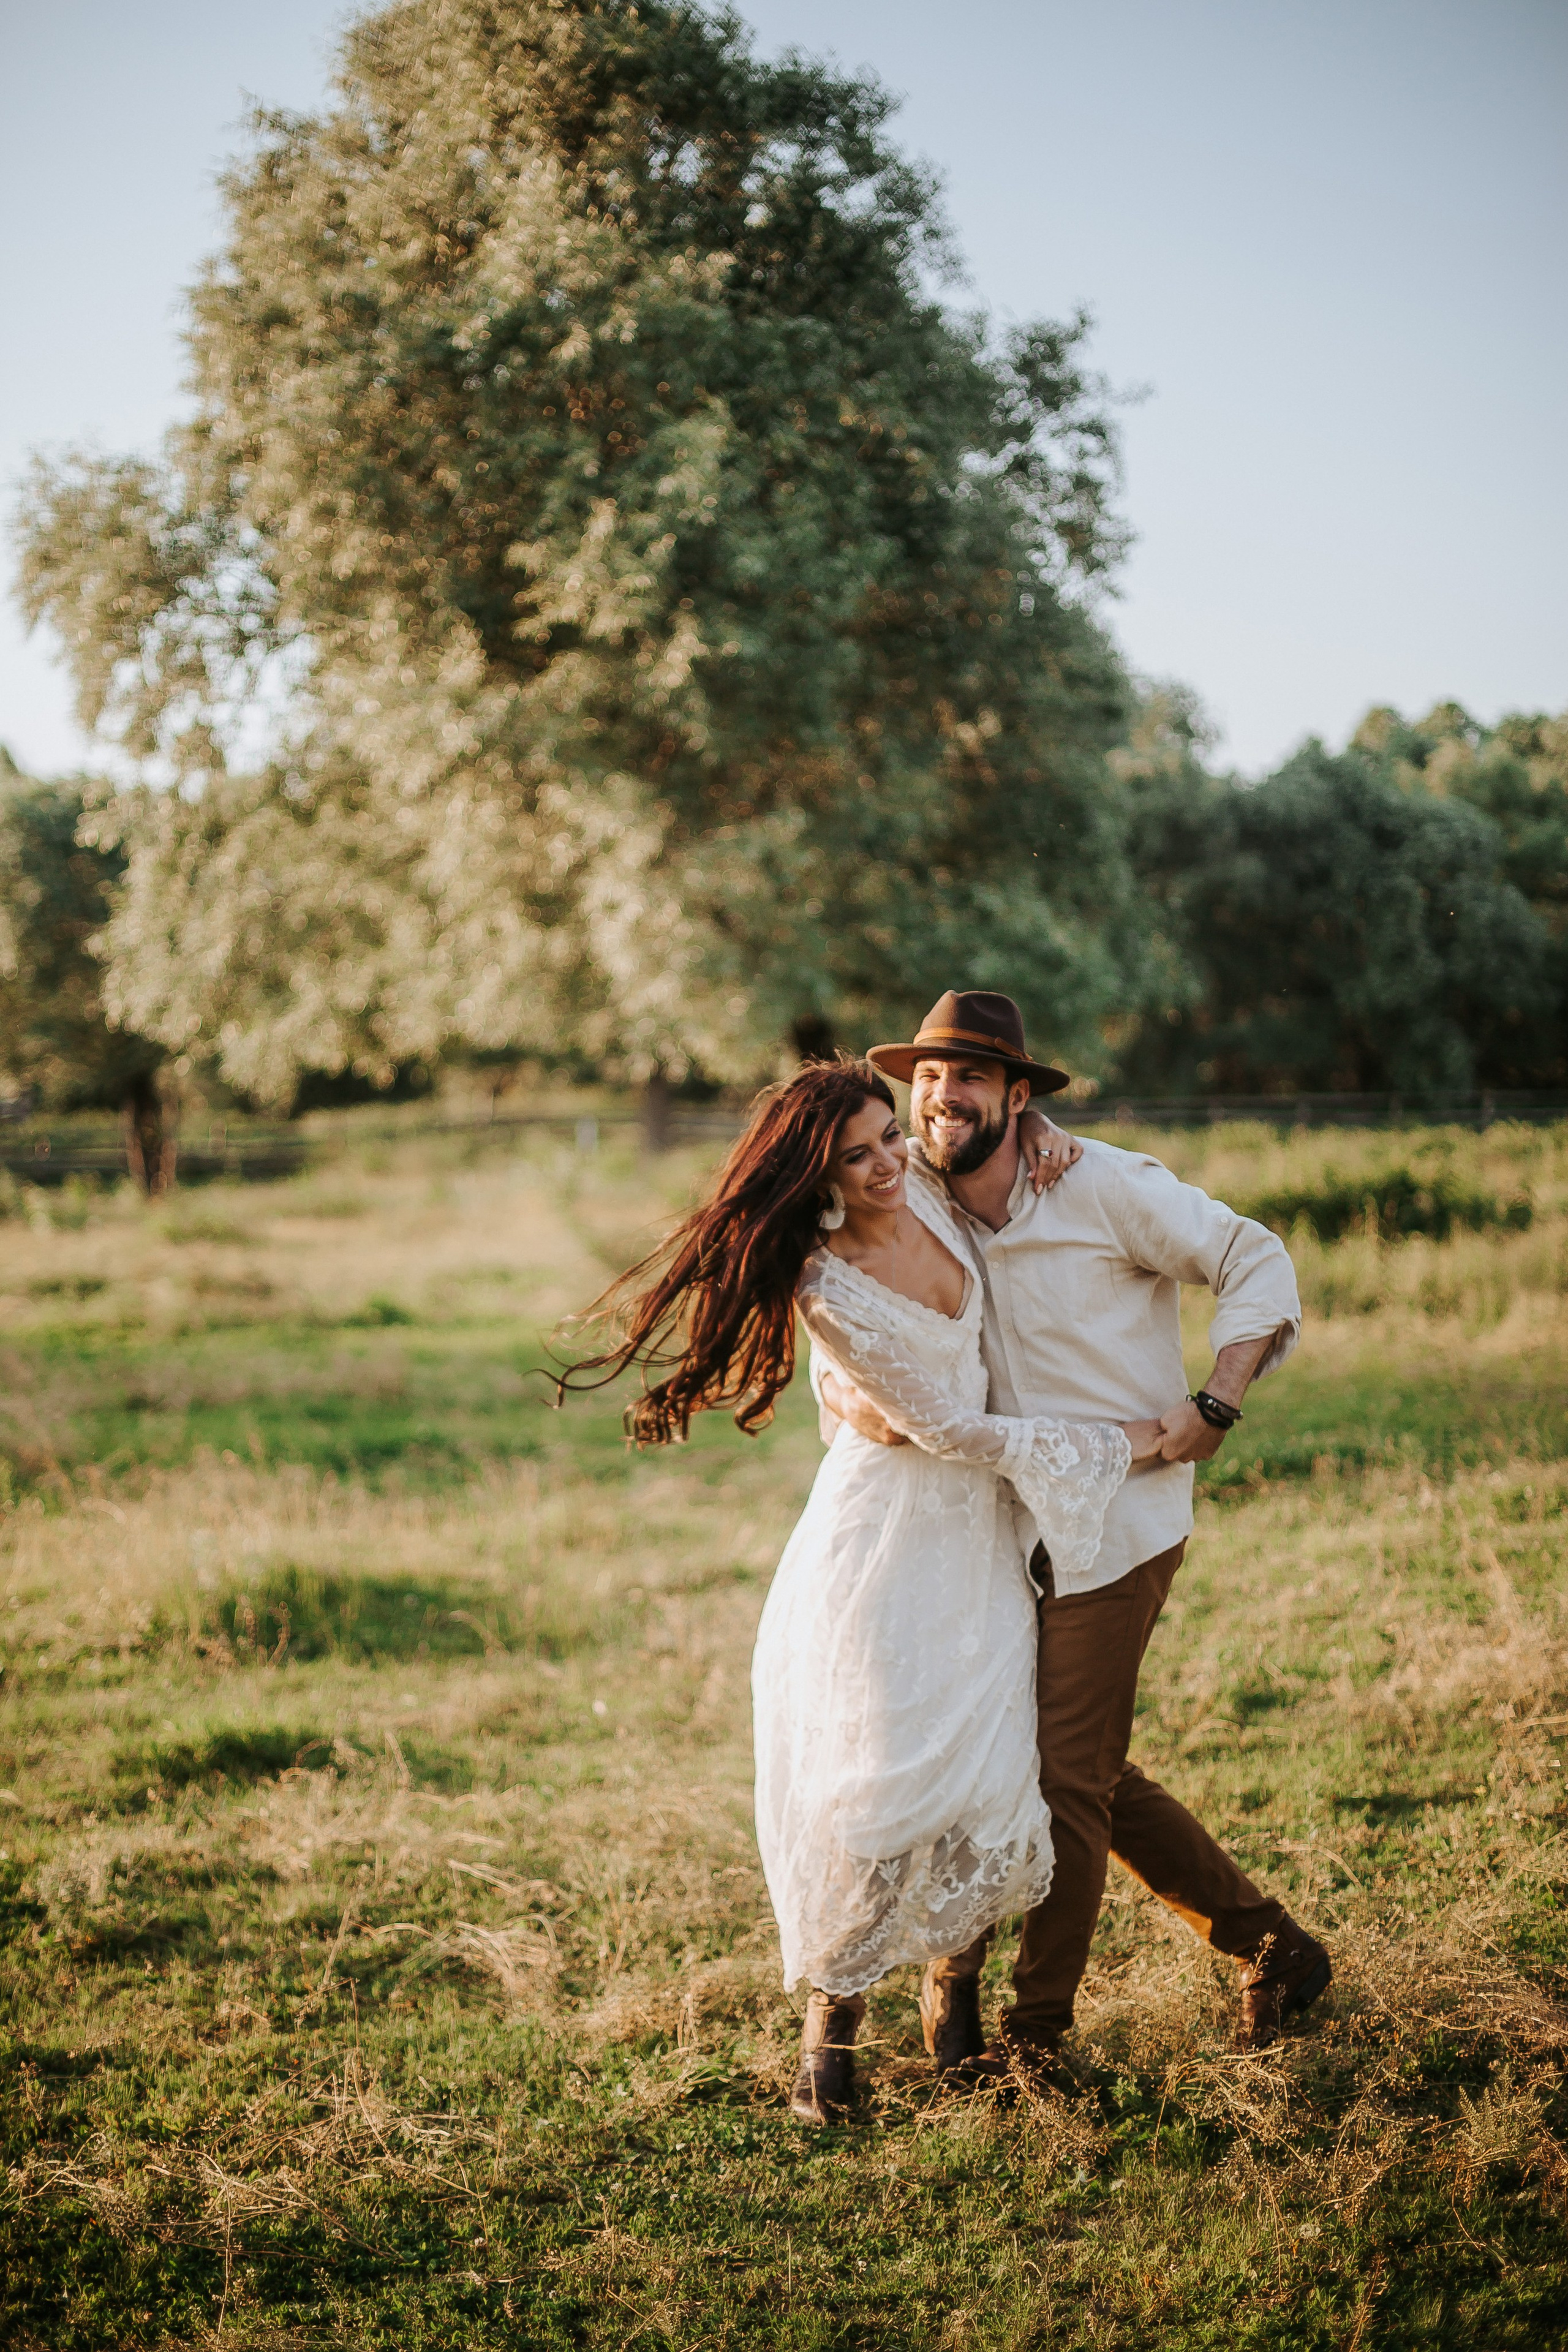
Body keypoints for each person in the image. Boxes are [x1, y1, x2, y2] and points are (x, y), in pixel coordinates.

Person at [559, 1057, 1161, 2124]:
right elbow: (949, 1428)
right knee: (881, 1789)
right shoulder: (826, 1283)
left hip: (980, 1535)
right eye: (860, 1153)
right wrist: (1123, 1443)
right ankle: (826, 2052)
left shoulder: (927, 1185)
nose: (890, 1160)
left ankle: (958, 2017)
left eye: (890, 1136)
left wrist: (1045, 1126)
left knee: (989, 1765)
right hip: (885, 1545)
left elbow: (966, 1114)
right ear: (817, 1173)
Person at [816, 990, 1329, 2092]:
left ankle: (1033, 2041)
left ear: (1017, 1094)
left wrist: (1218, 1402)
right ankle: (1273, 1947)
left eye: (970, 1079)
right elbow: (846, 1269)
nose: (942, 1098)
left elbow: (1259, 1260)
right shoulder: (927, 1190)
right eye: (929, 1080)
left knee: (1061, 1778)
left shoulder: (1105, 1186)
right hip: (993, 1530)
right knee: (1068, 1766)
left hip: (1121, 1523)